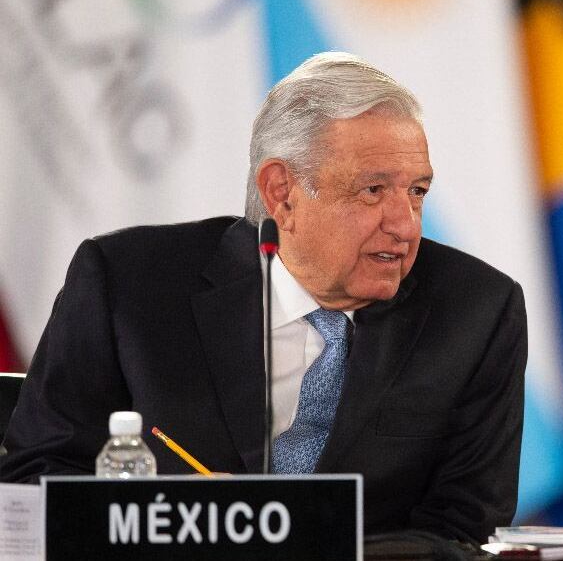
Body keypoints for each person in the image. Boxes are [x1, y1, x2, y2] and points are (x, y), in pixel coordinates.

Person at [0, 52, 527, 543]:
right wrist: (176, 519)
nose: (405, 225)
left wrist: (299, 543)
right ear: (282, 193)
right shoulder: (129, 286)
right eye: (373, 191)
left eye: (416, 191)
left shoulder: (476, 312)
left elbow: (463, 531)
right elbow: (34, 482)